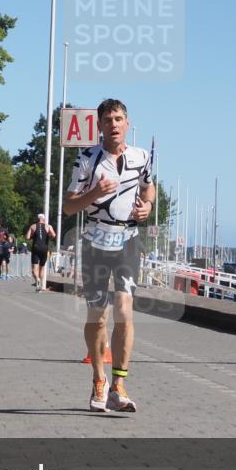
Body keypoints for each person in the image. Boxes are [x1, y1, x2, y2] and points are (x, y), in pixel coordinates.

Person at [63, 99, 153, 412]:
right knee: (97, 316)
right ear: (99, 125)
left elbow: (148, 188)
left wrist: (148, 206)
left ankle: (118, 384)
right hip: (95, 240)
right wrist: (94, 194)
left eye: (118, 119)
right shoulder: (87, 158)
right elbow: (69, 206)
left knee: (125, 312)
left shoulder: (141, 156)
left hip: (128, 238)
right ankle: (98, 380)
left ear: (127, 123)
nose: (113, 124)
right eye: (107, 120)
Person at [26, 214, 56, 291]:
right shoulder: (48, 226)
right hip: (44, 248)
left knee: (34, 269)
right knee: (42, 268)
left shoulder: (33, 226)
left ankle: (37, 280)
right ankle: (41, 285)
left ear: (38, 219)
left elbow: (27, 237)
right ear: (43, 219)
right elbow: (54, 235)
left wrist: (33, 235)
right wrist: (48, 236)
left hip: (35, 248)